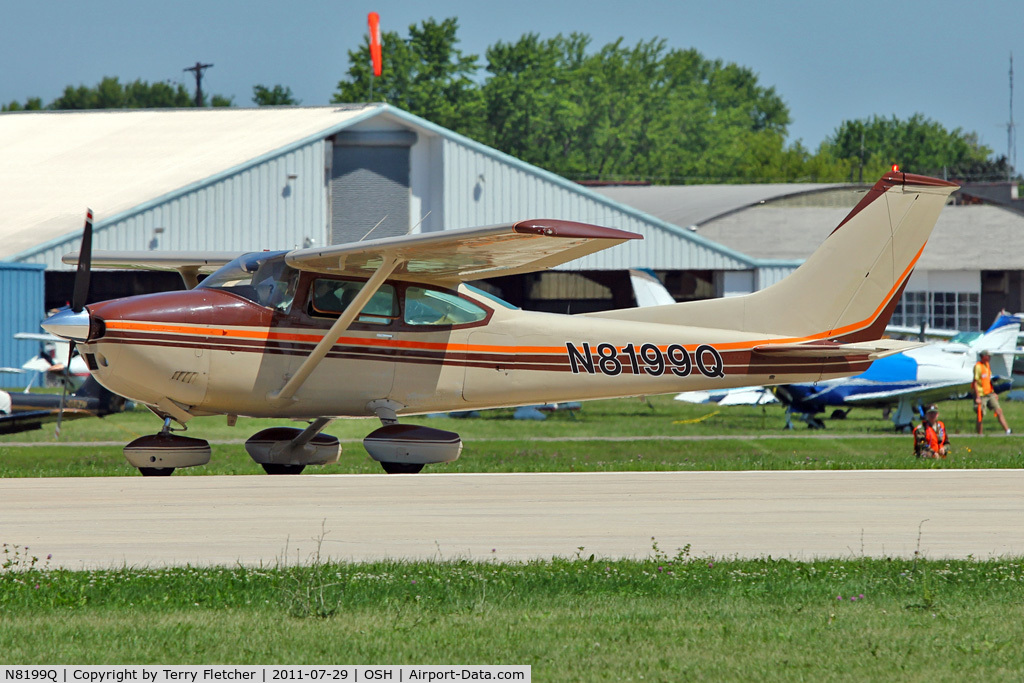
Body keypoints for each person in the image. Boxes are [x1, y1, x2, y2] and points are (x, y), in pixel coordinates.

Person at [973, 350, 1011, 435]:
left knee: (999, 411)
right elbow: (975, 382)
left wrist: (993, 392)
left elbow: (988, 381)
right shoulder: (978, 366)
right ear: (983, 356)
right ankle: (980, 434)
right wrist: (977, 397)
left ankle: (1007, 430)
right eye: (988, 356)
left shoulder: (987, 365)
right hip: (981, 394)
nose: (990, 358)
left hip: (989, 393)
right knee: (980, 414)